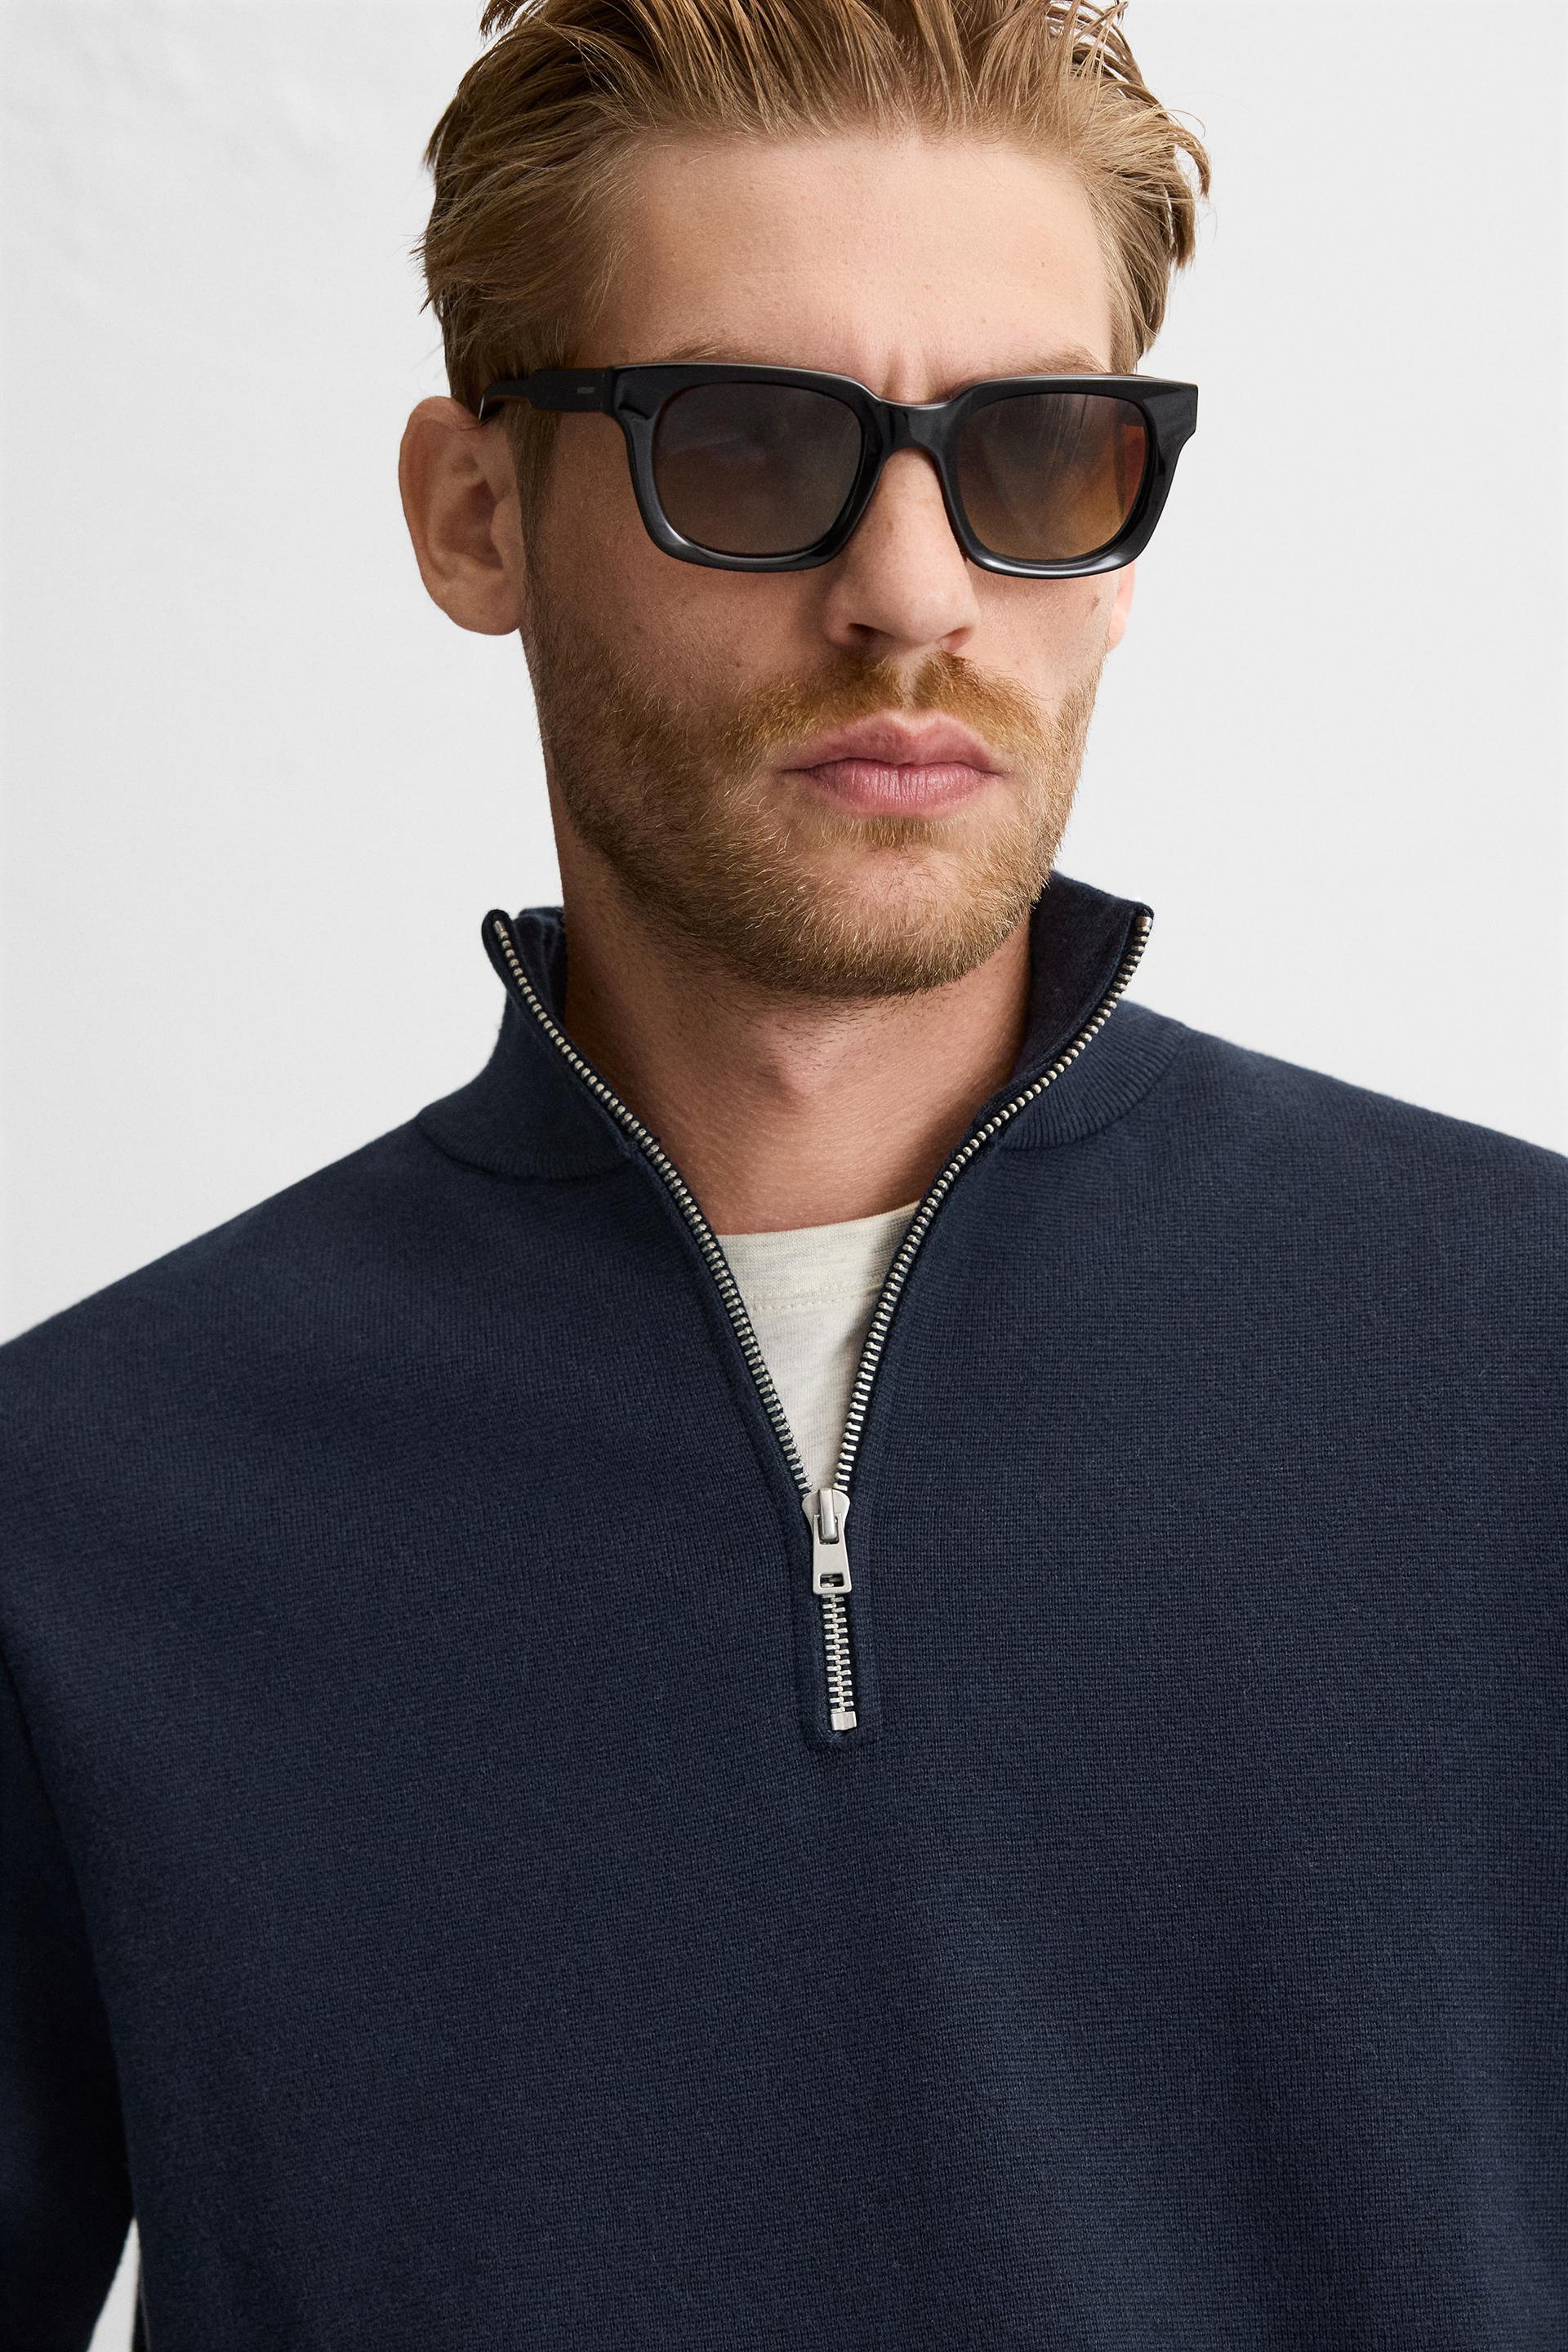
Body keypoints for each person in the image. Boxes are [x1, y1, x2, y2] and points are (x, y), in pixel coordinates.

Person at [3, 0, 1564, 2343]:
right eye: (746, 444)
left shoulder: (1527, 1369)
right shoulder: (83, 1512)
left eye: (1035, 454)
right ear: (473, 513)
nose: (916, 590)